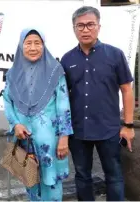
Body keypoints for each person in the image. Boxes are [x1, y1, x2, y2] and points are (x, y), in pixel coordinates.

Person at [61, 6, 135, 201]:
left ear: (99, 27)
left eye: (90, 24)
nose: (85, 30)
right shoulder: (67, 60)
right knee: (82, 176)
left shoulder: (115, 55)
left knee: (114, 176)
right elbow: (62, 96)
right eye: (80, 26)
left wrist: (128, 125)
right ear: (74, 28)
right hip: (78, 131)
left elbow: (127, 89)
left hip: (109, 129)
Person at [3, 28, 73, 201]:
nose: (33, 47)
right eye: (28, 43)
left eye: (37, 43)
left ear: (43, 45)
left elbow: (63, 105)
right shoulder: (12, 74)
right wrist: (15, 124)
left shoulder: (56, 71)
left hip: (50, 141)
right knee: (30, 181)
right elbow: (7, 101)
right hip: (24, 139)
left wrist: (64, 137)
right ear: (21, 46)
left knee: (51, 182)